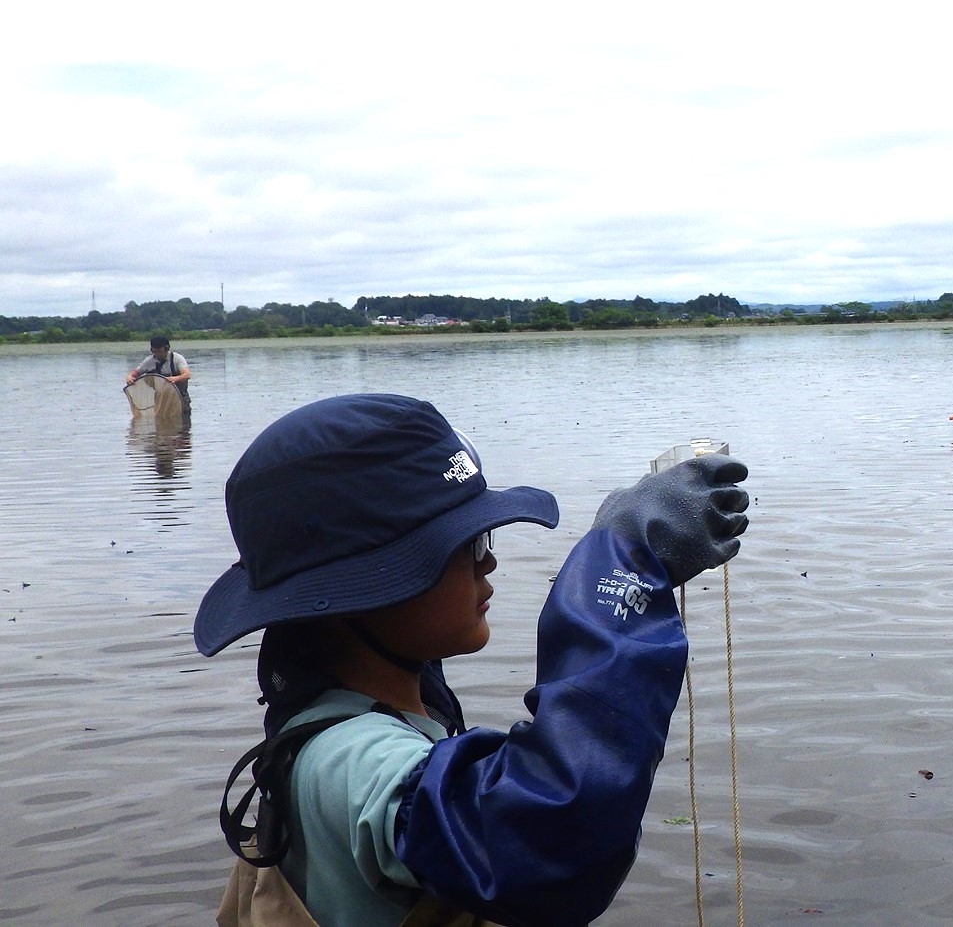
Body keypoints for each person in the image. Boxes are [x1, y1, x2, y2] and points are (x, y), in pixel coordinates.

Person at [194, 392, 749, 927]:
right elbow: (546, 841)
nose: (490, 563)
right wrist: (622, 570)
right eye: (471, 542)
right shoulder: (346, 760)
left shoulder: (380, 708)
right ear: (366, 587)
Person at [126, 334, 191, 407]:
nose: (157, 354)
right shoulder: (149, 361)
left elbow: (187, 375)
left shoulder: (177, 359)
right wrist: (129, 376)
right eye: (154, 351)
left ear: (167, 349)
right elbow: (136, 372)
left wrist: (175, 378)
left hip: (180, 398)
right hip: (160, 400)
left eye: (160, 351)